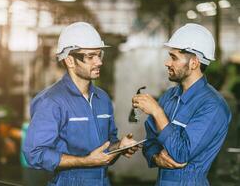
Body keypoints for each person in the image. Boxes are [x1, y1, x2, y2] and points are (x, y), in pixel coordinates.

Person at [23, 22, 138, 186]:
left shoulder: (103, 99)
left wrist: (120, 146)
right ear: (70, 60)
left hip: (102, 181)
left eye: (99, 55)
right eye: (90, 56)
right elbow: (34, 154)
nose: (98, 62)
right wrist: (86, 161)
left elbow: (107, 146)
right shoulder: (51, 101)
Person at [132, 23, 231, 186]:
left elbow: (181, 153)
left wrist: (157, 112)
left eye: (174, 57)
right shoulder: (169, 97)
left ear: (194, 63)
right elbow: (149, 142)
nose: (167, 63)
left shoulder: (213, 106)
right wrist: (156, 158)